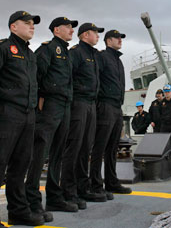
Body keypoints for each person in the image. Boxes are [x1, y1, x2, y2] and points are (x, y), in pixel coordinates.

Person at [0, 11, 43, 227]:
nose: (32, 26)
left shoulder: (30, 54)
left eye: (33, 24)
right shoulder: (1, 50)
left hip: (27, 115)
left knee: (20, 166)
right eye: (27, 23)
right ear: (13, 27)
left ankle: (18, 212)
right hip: (5, 114)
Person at [26, 16, 79, 216]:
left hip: (65, 106)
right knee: (39, 155)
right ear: (56, 30)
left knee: (57, 154)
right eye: (68, 27)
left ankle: (55, 198)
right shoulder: (48, 49)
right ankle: (32, 201)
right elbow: (36, 75)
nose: (71, 30)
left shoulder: (66, 52)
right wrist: (40, 98)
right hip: (49, 106)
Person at [61, 22, 106, 209]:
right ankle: (68, 191)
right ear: (85, 35)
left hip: (91, 105)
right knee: (75, 148)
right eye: (95, 33)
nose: (98, 36)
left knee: (86, 147)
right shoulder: (76, 53)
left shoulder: (94, 55)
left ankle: (82, 187)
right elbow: (68, 78)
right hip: (78, 103)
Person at [90, 29, 132, 197]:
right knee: (100, 147)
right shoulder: (102, 57)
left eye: (121, 37)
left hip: (116, 107)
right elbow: (96, 79)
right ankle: (95, 184)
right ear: (108, 41)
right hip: (105, 105)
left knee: (113, 147)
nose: (120, 40)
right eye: (117, 38)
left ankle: (111, 182)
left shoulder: (118, 60)